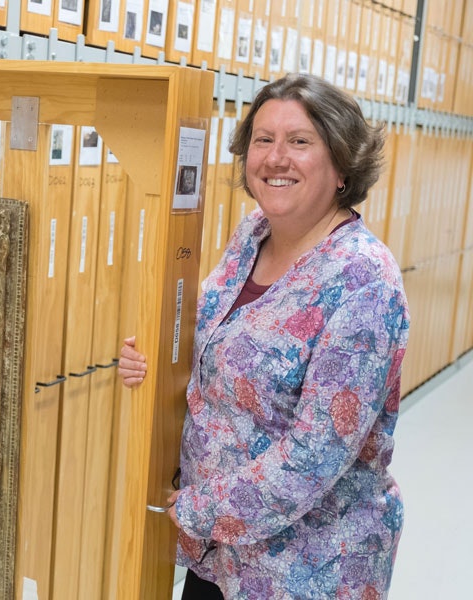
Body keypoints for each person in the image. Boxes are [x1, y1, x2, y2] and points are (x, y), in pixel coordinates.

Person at [119, 73, 410, 599]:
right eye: (262, 139)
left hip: (306, 568)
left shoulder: (364, 281)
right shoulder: (252, 234)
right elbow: (207, 338)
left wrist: (186, 508)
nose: (276, 158)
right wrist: (153, 361)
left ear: (342, 165)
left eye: (299, 141)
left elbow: (311, 456)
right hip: (219, 555)